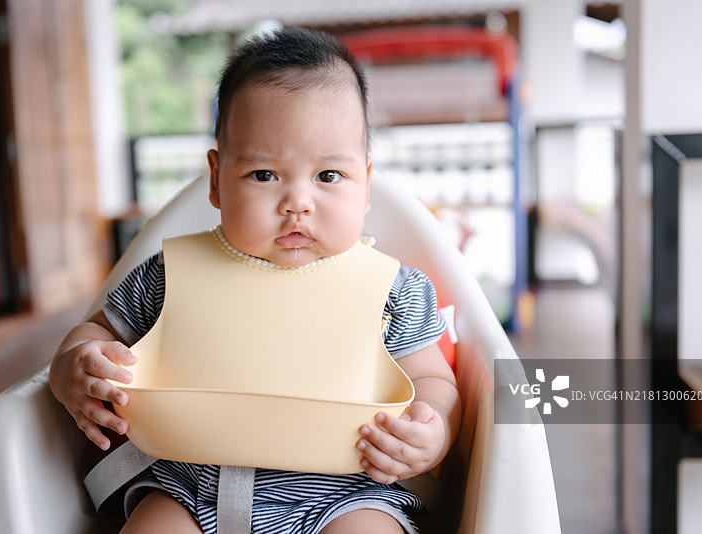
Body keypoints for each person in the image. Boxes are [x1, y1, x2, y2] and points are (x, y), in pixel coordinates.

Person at [49, 27, 460, 534]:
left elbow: (434, 379)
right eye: (264, 175)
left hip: (348, 490)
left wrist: (432, 428)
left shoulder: (395, 289)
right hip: (189, 484)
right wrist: (75, 365)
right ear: (217, 180)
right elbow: (96, 333)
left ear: (367, 183)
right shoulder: (168, 275)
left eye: (328, 176)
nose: (298, 202)